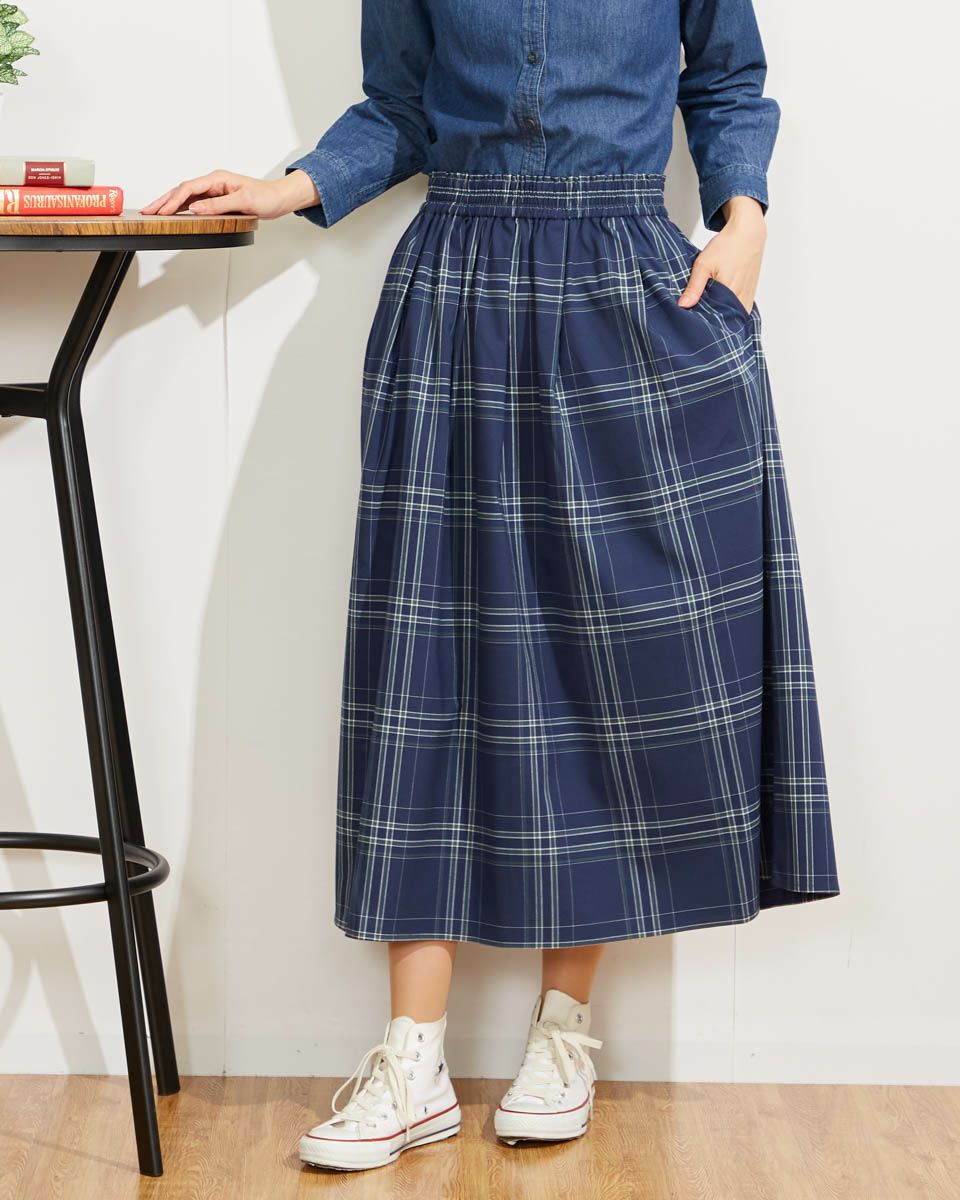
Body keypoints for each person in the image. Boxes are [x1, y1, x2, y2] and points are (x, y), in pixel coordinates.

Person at [143, 0, 840, 1174]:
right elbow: (402, 107)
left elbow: (727, 81)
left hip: (626, 287)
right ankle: (411, 1058)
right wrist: (287, 186)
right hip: (454, 293)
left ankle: (563, 1034)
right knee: (428, 670)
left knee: (617, 668)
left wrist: (744, 219)